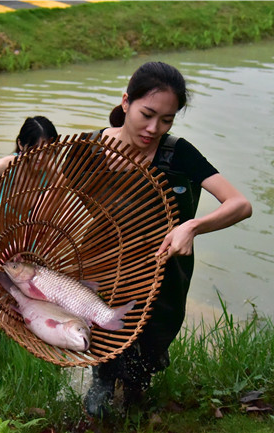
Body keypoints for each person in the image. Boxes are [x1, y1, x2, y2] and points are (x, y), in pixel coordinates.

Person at [83, 61, 252, 417]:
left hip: (161, 279)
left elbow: (240, 205)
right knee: (104, 361)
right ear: (126, 101)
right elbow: (55, 200)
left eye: (166, 120)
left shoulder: (178, 154)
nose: (153, 128)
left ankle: (135, 400)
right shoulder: (91, 148)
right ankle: (101, 392)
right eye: (147, 114)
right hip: (105, 273)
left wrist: (191, 226)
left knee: (143, 364)